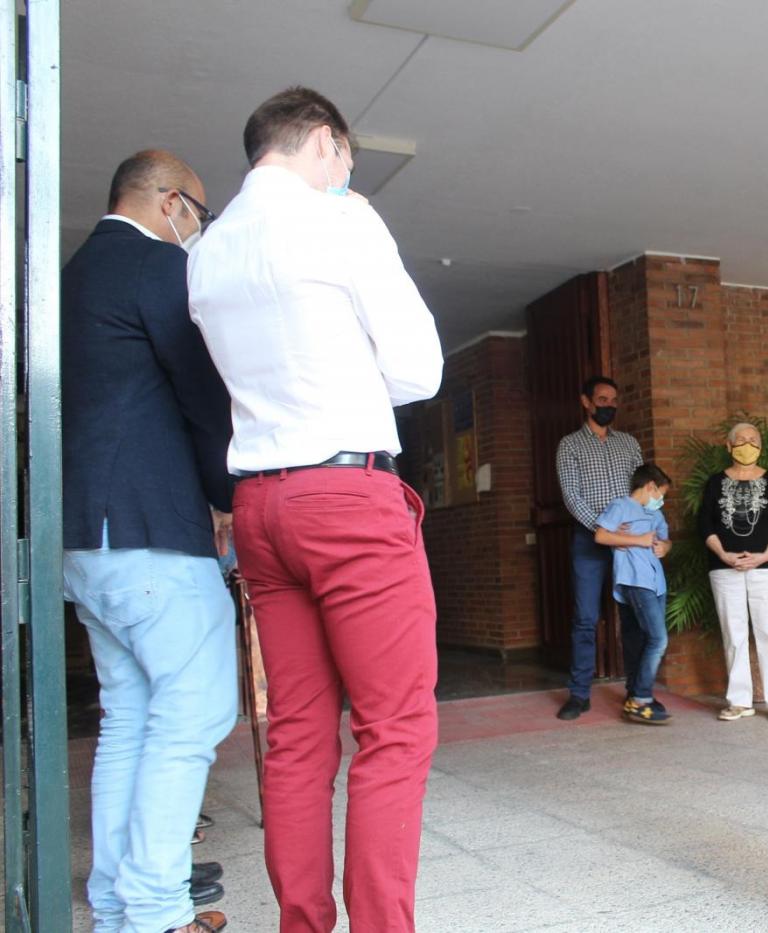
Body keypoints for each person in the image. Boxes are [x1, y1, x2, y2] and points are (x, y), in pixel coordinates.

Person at [188, 87, 443, 933]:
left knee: (297, 735)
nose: (346, 176)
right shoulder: (344, 221)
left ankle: (305, 925)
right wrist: (369, 223)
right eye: (347, 161)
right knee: (395, 729)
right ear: (327, 144)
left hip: (259, 503)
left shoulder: (207, 247)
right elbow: (420, 371)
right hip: (346, 496)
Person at [61, 150, 232, 933]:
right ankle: (158, 909)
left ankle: (118, 903)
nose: (196, 228)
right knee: (193, 714)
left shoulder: (72, 274)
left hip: (88, 541)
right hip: (151, 530)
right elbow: (203, 397)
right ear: (170, 202)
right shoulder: (153, 264)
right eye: (198, 212)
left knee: (131, 715)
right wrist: (231, 495)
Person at [555, 376, 644, 720]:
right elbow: (571, 496)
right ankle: (579, 694)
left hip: (629, 543)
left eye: (613, 400)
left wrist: (638, 528)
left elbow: (643, 489)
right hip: (589, 541)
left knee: (632, 616)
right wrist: (604, 528)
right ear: (587, 402)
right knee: (586, 618)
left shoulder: (629, 444)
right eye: (602, 399)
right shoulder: (570, 445)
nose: (609, 405)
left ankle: (638, 690)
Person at [697, 422, 768, 722]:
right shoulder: (714, 483)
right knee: (734, 633)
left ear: (761, 447)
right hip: (724, 569)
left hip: (767, 568)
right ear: (728, 446)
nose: (747, 445)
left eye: (754, 440)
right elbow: (705, 525)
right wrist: (724, 554)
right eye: (741, 440)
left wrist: (764, 555)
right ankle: (739, 701)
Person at [594, 463, 675, 724]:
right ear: (650, 486)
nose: (661, 500)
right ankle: (641, 698)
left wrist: (665, 547)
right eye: (660, 493)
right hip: (634, 581)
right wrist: (636, 541)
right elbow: (601, 536)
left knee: (635, 637)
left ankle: (634, 692)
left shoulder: (655, 515)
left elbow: (666, 539)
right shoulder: (620, 506)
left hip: (656, 582)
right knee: (658, 639)